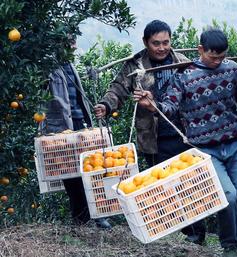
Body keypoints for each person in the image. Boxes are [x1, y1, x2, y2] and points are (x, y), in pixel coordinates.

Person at [134, 27, 237, 257]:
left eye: (221, 57)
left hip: (235, 144)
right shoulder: (184, 76)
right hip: (205, 149)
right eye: (213, 57)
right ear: (200, 50)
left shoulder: (233, 69)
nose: (217, 61)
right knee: (228, 196)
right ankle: (229, 245)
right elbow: (169, 106)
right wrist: (152, 105)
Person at [93, 20, 205, 244]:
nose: (162, 48)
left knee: (188, 182)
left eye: (165, 42)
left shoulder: (183, 64)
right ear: (146, 42)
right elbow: (118, 88)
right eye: (156, 43)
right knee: (162, 184)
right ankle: (177, 228)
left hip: (183, 134)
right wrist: (106, 105)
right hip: (152, 137)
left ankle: (197, 233)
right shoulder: (136, 66)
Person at [44, 38, 111, 229]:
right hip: (61, 128)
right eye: (69, 43)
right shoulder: (48, 65)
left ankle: (97, 216)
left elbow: (76, 89)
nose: (73, 47)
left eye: (74, 42)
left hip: (81, 122)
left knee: (91, 168)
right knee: (71, 175)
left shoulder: (70, 64)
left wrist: (92, 74)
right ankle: (81, 219)